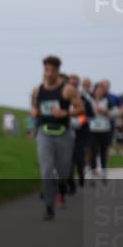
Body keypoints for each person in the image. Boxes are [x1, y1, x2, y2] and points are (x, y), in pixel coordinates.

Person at [31, 56, 83, 221]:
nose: (50, 73)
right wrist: (34, 112)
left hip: (63, 134)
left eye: (53, 70)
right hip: (44, 133)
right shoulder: (37, 90)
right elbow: (34, 106)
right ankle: (49, 207)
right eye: (47, 70)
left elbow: (80, 109)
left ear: (58, 71)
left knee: (62, 171)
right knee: (46, 170)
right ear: (44, 70)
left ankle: (61, 185)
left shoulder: (67, 90)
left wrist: (66, 113)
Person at [89, 80, 115, 184]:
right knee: (93, 152)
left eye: (102, 90)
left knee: (104, 152)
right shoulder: (89, 101)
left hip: (105, 130)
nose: (99, 92)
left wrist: (105, 112)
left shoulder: (108, 101)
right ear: (94, 91)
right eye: (98, 89)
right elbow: (84, 113)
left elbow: (113, 114)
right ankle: (93, 173)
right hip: (92, 130)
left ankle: (104, 174)